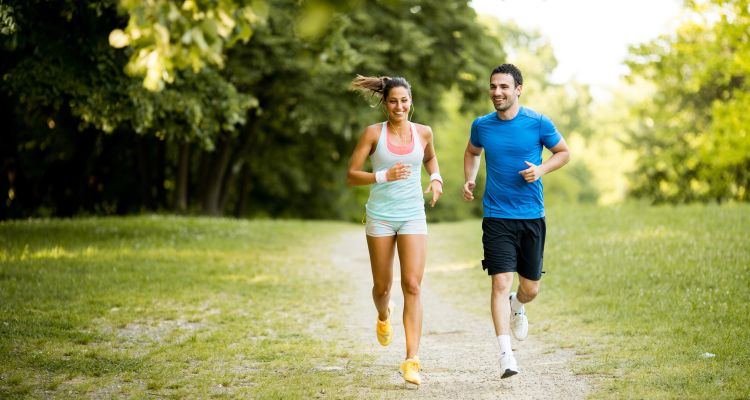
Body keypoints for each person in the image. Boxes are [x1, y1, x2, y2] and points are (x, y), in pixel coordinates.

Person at [463, 64, 570, 378]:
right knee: (499, 282)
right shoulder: (482, 125)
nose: (497, 92)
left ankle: (518, 305)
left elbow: (563, 152)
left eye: (504, 87)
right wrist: (469, 178)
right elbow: (472, 152)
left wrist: (540, 170)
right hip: (497, 217)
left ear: (518, 89)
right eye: (493, 86)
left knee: (531, 289)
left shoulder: (537, 123)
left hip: (531, 217)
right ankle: (506, 356)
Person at [347, 74, 443, 386]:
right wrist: (382, 176)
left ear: (410, 101)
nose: (399, 106)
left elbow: (429, 158)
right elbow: (351, 174)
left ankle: (412, 360)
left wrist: (436, 177)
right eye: (393, 101)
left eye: (404, 101)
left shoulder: (424, 132)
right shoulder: (373, 134)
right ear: (385, 103)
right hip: (381, 217)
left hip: (413, 214)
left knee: (413, 285)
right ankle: (384, 315)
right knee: (382, 288)